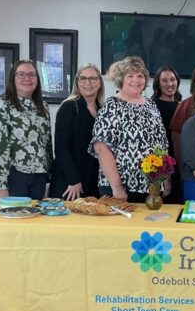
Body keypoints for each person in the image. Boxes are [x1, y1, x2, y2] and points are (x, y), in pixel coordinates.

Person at [88, 56, 168, 203]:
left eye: (140, 76)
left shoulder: (151, 105)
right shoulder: (112, 106)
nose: (136, 80)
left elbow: (161, 144)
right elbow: (101, 148)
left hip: (151, 187)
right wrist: (117, 187)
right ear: (121, 79)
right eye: (130, 76)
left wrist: (164, 179)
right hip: (120, 189)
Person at [0, 59, 52, 207]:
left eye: (31, 75)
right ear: (12, 78)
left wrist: (49, 174)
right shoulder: (1, 104)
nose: (27, 78)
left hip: (38, 177)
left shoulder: (43, 107)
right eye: (21, 74)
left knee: (32, 225)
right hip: (13, 177)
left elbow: (47, 144)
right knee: (10, 226)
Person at [49, 64, 104, 200]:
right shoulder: (69, 107)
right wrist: (73, 180)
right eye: (83, 78)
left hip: (92, 178)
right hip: (70, 182)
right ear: (77, 82)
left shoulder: (103, 109)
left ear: (100, 82)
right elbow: (61, 148)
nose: (88, 83)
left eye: (92, 78)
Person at [151, 65, 182, 203]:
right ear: (158, 84)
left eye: (172, 79)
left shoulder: (183, 105)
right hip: (162, 165)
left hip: (182, 162)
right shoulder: (151, 107)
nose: (169, 84)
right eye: (164, 80)